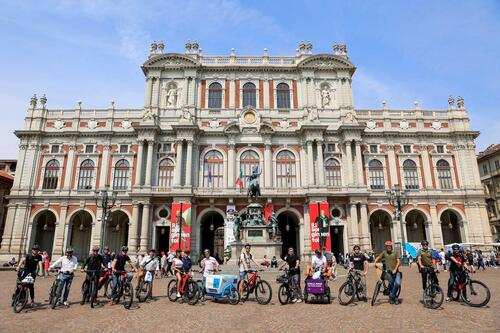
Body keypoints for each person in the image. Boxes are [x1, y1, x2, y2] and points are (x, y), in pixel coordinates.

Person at [374, 240, 401, 305]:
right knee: (392, 284)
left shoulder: (395, 252)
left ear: (391, 246)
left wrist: (395, 269)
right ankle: (394, 298)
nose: (388, 247)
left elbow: (398, 262)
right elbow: (378, 257)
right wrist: (375, 262)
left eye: (389, 245)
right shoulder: (384, 252)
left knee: (397, 284)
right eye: (387, 246)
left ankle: (392, 296)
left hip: (396, 272)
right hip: (388, 272)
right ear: (386, 247)